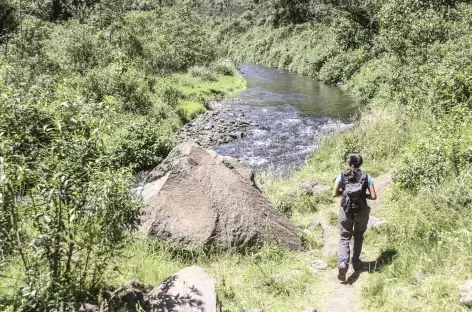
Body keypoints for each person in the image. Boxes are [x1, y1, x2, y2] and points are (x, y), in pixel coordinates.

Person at [332, 152, 377, 281]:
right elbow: (374, 197)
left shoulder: (341, 176)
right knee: (358, 236)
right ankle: (356, 263)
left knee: (344, 237)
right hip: (361, 211)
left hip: (346, 212)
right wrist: (362, 195)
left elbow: (334, 194)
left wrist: (345, 193)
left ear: (349, 163)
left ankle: (342, 264)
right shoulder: (366, 177)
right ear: (360, 163)